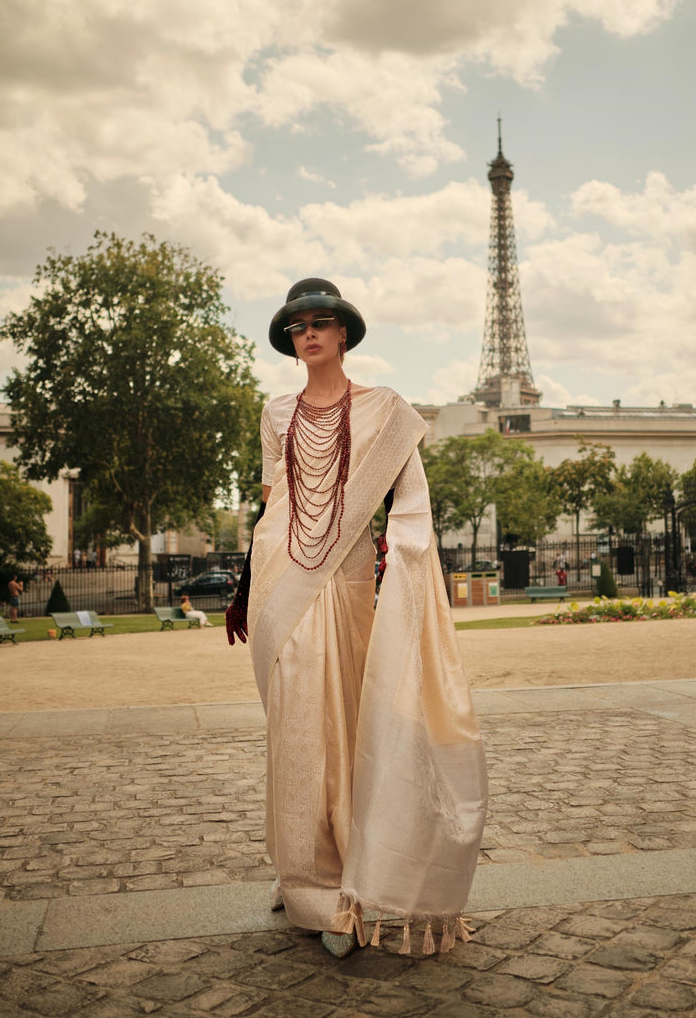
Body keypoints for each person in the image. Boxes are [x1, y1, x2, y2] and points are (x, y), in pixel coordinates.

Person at [226, 278, 487, 959]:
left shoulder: (385, 411)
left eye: (321, 322)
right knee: (294, 729)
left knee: (346, 723)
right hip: (282, 581)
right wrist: (246, 583)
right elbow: (272, 503)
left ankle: (351, 872)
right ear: (290, 339)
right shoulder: (276, 412)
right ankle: (306, 879)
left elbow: (409, 506)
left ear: (343, 333)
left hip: (345, 586)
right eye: (297, 326)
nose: (308, 333)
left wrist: (405, 567)